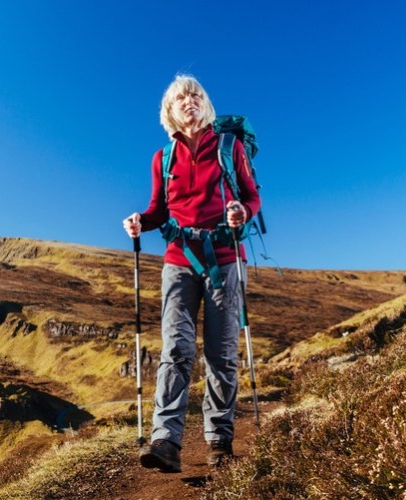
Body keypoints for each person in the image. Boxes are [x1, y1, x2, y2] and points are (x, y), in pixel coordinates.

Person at [122, 74, 261, 472]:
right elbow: (157, 210)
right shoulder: (162, 159)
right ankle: (165, 440)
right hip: (178, 260)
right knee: (176, 347)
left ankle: (219, 442)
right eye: (181, 97)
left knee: (220, 353)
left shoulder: (229, 148)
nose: (189, 101)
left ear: (206, 105)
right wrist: (140, 222)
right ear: (170, 111)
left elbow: (251, 196)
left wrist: (241, 212)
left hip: (226, 258)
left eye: (196, 95)